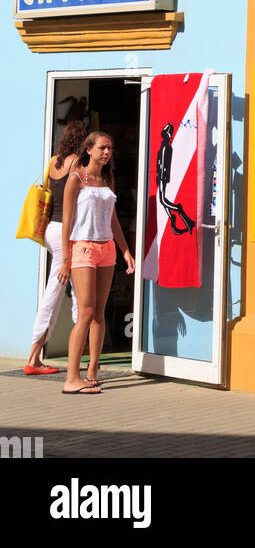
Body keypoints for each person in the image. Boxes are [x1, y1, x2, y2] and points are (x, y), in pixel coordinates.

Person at [57, 132, 134, 395]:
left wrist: (125, 251)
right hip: (83, 247)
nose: (107, 152)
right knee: (86, 311)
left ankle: (92, 371)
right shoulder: (76, 178)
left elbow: (113, 221)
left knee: (99, 312)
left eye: (110, 148)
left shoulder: (105, 180)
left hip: (107, 249)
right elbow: (67, 221)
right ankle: (71, 377)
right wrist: (66, 258)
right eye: (102, 148)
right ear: (88, 149)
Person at [24, 120, 87, 374]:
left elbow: (50, 194)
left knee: (75, 288)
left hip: (51, 228)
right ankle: (33, 357)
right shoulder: (76, 164)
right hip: (65, 232)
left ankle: (80, 347)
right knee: (56, 291)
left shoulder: (54, 162)